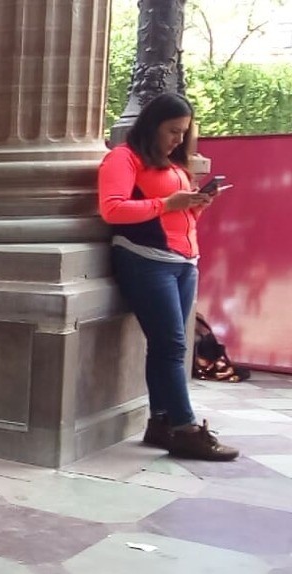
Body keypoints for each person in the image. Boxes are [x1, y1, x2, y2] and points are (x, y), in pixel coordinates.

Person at [98, 92, 237, 461]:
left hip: (183, 260)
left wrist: (196, 205)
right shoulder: (123, 158)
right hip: (146, 260)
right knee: (174, 345)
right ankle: (186, 427)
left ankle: (162, 422)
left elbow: (176, 217)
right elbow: (112, 209)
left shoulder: (173, 165)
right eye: (172, 131)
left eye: (184, 132)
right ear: (153, 125)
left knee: (166, 346)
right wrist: (169, 203)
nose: (178, 139)